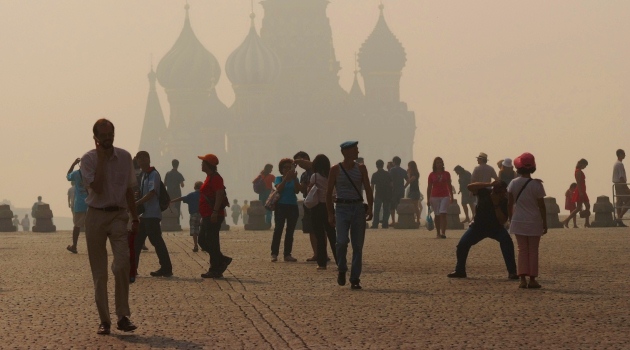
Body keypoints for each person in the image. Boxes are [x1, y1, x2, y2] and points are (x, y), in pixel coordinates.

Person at [80, 118, 137, 334]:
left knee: (122, 264)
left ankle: (123, 315)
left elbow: (130, 190)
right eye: (103, 136)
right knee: (99, 273)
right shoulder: (88, 160)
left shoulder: (124, 157)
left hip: (118, 216)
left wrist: (135, 217)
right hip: (95, 216)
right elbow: (97, 187)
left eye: (110, 135)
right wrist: (102, 160)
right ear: (95, 138)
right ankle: (105, 320)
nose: (107, 139)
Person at [447, 180, 518, 279]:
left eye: (503, 191)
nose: (502, 194)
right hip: (478, 227)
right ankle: (460, 270)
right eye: (500, 191)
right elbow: (470, 187)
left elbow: (502, 221)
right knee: (462, 245)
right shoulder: (484, 192)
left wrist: (496, 204)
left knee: (507, 242)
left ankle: (512, 272)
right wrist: (489, 184)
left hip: (496, 228)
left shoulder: (504, 201)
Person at [327, 141, 373, 290]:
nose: (358, 152)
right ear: (346, 152)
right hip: (341, 208)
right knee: (341, 241)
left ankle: (355, 278)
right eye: (355, 149)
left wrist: (370, 207)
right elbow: (328, 193)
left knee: (357, 245)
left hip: (358, 208)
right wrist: (330, 213)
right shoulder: (335, 169)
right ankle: (342, 268)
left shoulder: (361, 169)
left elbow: (367, 188)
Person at [507, 152, 547, 289]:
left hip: (518, 220)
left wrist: (510, 218)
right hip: (534, 221)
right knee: (533, 250)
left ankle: (522, 279)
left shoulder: (513, 183)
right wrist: (545, 222)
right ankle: (532, 279)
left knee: (522, 250)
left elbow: (510, 203)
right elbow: (541, 206)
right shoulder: (537, 185)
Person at [134, 151, 173, 277]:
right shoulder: (143, 175)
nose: (141, 160)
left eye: (143, 158)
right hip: (144, 215)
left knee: (156, 241)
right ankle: (132, 268)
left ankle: (166, 268)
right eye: (139, 158)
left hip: (152, 214)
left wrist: (137, 202)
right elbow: (144, 192)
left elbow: (152, 193)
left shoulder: (154, 174)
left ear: (148, 159)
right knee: (137, 242)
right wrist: (137, 196)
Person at [198, 154, 232, 278]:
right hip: (207, 214)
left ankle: (215, 268)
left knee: (212, 241)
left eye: (203, 163)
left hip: (213, 215)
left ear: (208, 165)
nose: (201, 165)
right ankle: (221, 260)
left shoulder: (216, 178)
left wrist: (215, 211)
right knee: (203, 240)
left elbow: (219, 194)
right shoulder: (209, 177)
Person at [309, 154, 338, 270]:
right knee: (332, 234)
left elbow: (309, 190)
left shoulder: (314, 176)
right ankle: (339, 260)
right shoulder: (331, 175)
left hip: (317, 207)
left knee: (320, 236)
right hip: (329, 206)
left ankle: (321, 263)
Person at [270, 158, 302, 262]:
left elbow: (297, 191)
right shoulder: (278, 178)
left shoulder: (294, 179)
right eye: (285, 167)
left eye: (290, 167)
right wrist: (286, 179)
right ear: (281, 169)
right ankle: (274, 253)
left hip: (292, 205)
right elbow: (278, 188)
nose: (287, 169)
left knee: (290, 231)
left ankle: (287, 254)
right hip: (281, 206)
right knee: (278, 229)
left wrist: (295, 179)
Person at [294, 151, 317, 262]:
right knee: (311, 229)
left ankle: (323, 252)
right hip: (309, 202)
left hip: (320, 202)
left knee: (322, 229)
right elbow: (301, 189)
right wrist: (293, 178)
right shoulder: (304, 175)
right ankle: (316, 253)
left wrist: (301, 161)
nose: (301, 165)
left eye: (301, 162)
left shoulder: (316, 169)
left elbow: (312, 165)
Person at [170, 181, 203, 252]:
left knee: (194, 230)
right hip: (203, 215)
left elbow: (181, 198)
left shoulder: (191, 195)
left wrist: (172, 201)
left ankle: (196, 245)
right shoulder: (204, 195)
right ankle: (203, 245)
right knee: (203, 230)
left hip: (194, 214)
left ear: (194, 187)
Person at [427, 157, 453, 239]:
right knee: (437, 215)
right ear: (435, 164)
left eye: (440, 163)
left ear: (442, 164)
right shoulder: (431, 175)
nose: (439, 164)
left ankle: (443, 232)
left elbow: (449, 185)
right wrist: (428, 199)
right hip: (434, 196)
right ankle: (438, 232)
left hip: (445, 195)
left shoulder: (447, 174)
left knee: (443, 213)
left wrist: (452, 196)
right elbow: (429, 187)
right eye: (437, 163)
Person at [66, 157, 88, 254]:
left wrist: (74, 163)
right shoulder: (91, 173)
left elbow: (67, 176)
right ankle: (94, 246)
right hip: (91, 203)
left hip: (79, 204)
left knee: (77, 226)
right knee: (91, 227)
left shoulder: (76, 174)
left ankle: (74, 245)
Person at [562, 159, 590, 228]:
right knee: (578, 208)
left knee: (587, 205)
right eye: (585, 165)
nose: (585, 167)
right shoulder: (578, 171)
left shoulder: (579, 171)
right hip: (580, 191)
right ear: (582, 164)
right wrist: (580, 192)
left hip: (583, 190)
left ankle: (586, 222)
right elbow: (578, 182)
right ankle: (566, 220)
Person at [370, 159, 392, 229]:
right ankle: (385, 224)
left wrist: (371, 195)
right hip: (387, 194)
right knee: (386, 210)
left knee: (377, 210)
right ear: (383, 165)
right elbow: (391, 184)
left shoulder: (375, 175)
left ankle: (375, 224)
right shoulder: (387, 174)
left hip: (378, 194)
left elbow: (372, 186)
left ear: (376, 166)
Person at [164, 159, 185, 224]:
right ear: (178, 165)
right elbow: (182, 185)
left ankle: (168, 222)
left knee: (168, 206)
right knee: (177, 207)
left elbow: (164, 184)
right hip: (177, 193)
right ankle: (177, 222)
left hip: (169, 192)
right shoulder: (179, 174)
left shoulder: (168, 173)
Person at [612, 149, 629, 227]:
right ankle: (620, 217)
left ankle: (619, 220)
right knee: (628, 201)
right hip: (620, 184)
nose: (624, 155)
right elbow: (621, 177)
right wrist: (626, 188)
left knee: (619, 202)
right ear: (620, 154)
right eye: (623, 154)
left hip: (617, 185)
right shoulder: (619, 164)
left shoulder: (617, 164)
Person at [389, 156, 408, 226]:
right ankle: (401, 219)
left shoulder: (392, 170)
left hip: (394, 190)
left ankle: (393, 221)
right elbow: (408, 180)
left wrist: (391, 186)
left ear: (394, 162)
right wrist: (404, 187)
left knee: (392, 206)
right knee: (400, 205)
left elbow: (390, 180)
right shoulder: (403, 171)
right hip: (401, 190)